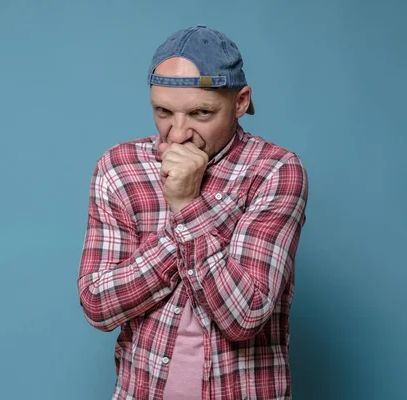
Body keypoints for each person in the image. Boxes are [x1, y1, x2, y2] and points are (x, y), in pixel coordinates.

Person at [77, 25, 309, 400]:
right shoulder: (120, 167)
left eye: (201, 113)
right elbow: (98, 306)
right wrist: (186, 233)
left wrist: (186, 206)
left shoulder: (274, 170)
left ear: (240, 102)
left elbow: (245, 315)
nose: (178, 133)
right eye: (163, 111)